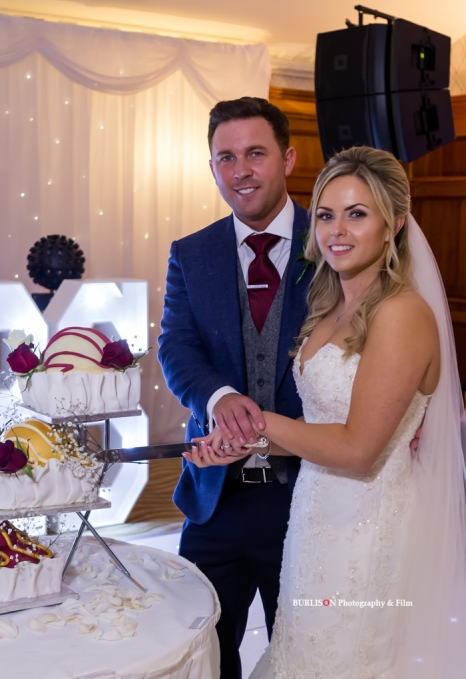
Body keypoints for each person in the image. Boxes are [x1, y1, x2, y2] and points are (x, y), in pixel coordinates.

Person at [187, 146, 466, 678]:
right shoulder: (328, 307)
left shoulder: (402, 314)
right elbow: (316, 429)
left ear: (394, 223)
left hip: (368, 528)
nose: (336, 231)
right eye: (325, 214)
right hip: (314, 517)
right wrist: (241, 442)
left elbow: (359, 450)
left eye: (357, 214)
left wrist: (257, 421)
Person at [158, 97, 313, 678]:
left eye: (255, 153)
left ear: (287, 159)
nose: (240, 170)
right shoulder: (190, 253)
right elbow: (176, 347)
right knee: (201, 654)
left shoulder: (335, 244)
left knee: (302, 657)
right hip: (215, 500)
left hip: (311, 497)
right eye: (226, 157)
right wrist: (219, 398)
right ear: (213, 167)